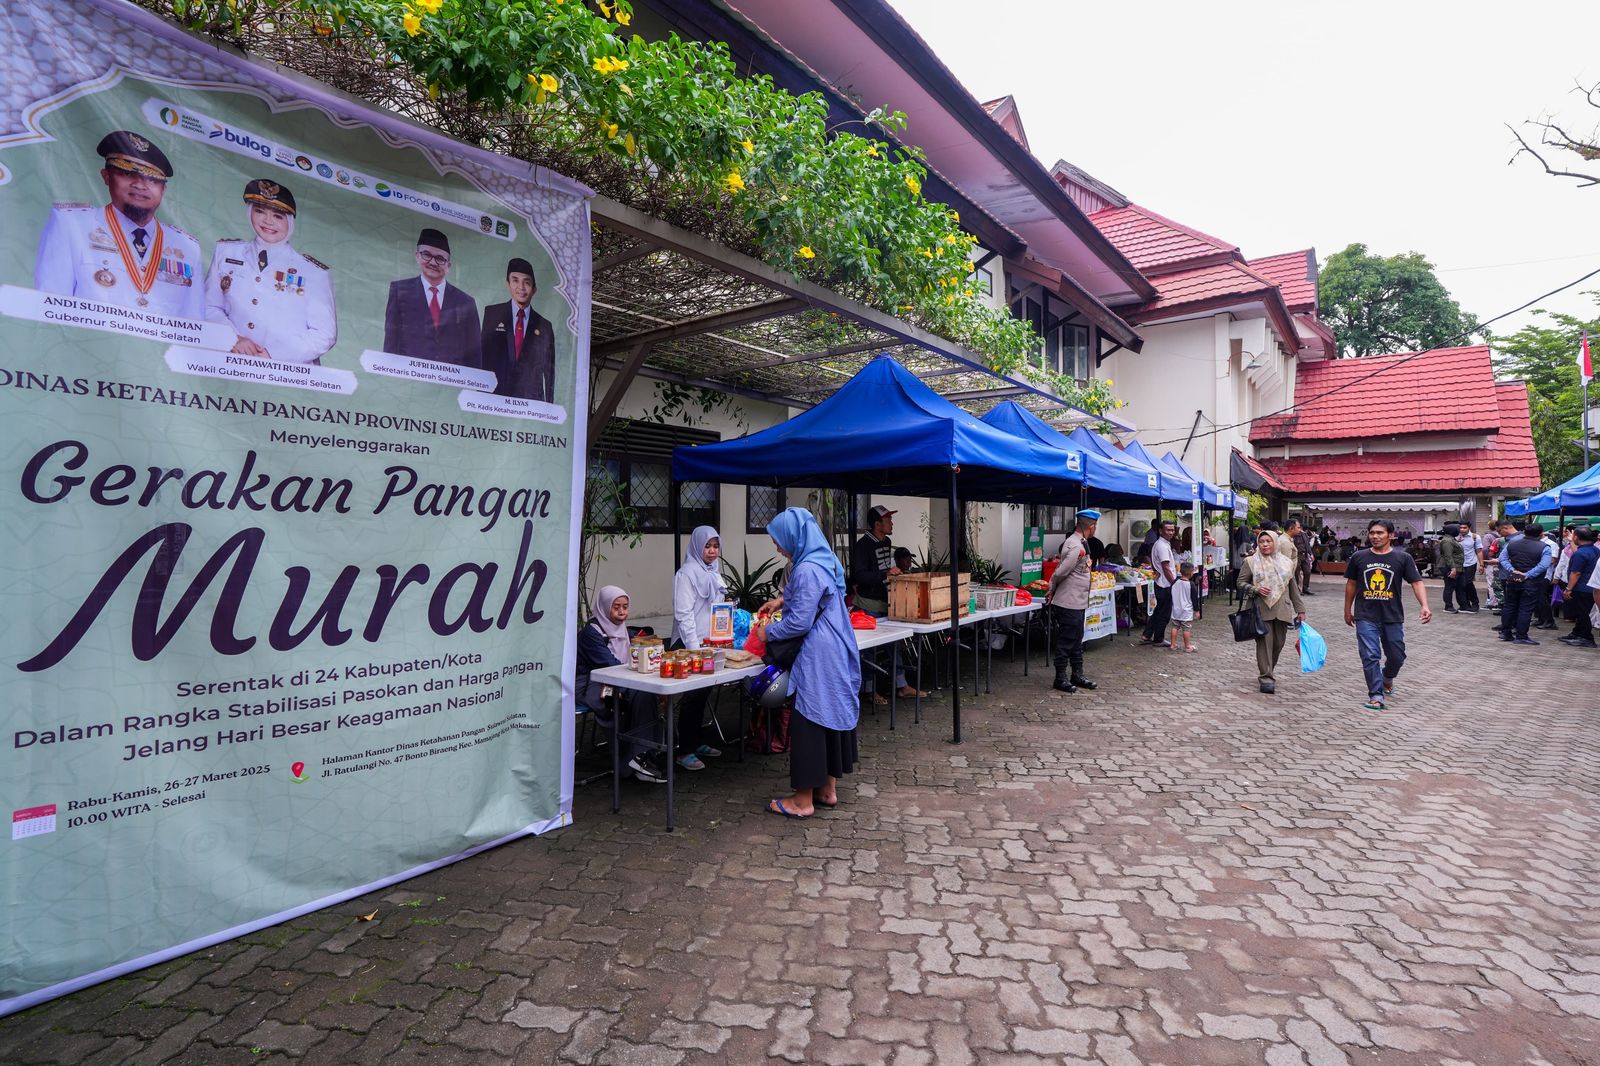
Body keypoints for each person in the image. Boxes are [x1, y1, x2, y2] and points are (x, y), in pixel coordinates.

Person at [757, 507, 861, 819]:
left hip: (818, 653)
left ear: (794, 537)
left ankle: (802, 801)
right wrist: (783, 600)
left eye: (779, 540)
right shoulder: (825, 561)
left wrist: (767, 632)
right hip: (836, 645)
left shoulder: (805, 570)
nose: (777, 547)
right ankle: (827, 789)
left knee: (808, 717)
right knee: (830, 712)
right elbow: (820, 596)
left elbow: (799, 624)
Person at [35, 130, 203, 317]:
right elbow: (50, 308)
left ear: (163, 189)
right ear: (106, 176)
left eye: (152, 179)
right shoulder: (71, 224)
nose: (140, 185)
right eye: (127, 173)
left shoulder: (187, 247)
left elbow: (193, 321)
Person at [203, 179, 337, 365]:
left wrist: (272, 355)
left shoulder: (313, 272)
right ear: (250, 212)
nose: (268, 221)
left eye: (278, 216)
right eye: (259, 211)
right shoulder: (226, 253)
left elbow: (324, 335)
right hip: (230, 363)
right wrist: (232, 338)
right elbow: (209, 306)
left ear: (290, 221)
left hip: (287, 371)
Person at [576, 586, 665, 783]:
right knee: (637, 694)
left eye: (625, 607)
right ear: (604, 607)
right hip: (591, 683)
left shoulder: (623, 630)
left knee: (644, 693)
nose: (622, 612)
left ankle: (642, 755)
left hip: (619, 678)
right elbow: (609, 665)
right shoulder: (591, 633)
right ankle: (639, 757)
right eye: (616, 607)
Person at [1344, 518, 1431, 711]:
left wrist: (1424, 605)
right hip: (1365, 615)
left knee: (1397, 656)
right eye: (1372, 533)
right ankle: (1376, 695)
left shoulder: (1402, 558)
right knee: (1370, 655)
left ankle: (1387, 678)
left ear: (1391, 535)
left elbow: (1416, 582)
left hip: (1392, 616)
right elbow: (1351, 584)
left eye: (1380, 533)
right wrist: (1347, 610)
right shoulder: (1359, 557)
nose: (1375, 536)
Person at [849, 505, 922, 699]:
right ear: (877, 524)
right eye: (888, 520)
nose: (891, 523)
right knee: (869, 650)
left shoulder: (887, 541)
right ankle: (869, 690)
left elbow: (884, 572)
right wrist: (885, 573)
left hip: (886, 602)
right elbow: (859, 576)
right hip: (867, 605)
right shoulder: (863, 546)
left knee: (894, 644)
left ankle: (901, 685)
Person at [670, 526, 727, 770]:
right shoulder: (686, 574)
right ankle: (684, 750)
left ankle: (695, 741)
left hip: (708, 643)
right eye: (707, 546)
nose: (712, 551)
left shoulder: (713, 571)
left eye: (716, 546)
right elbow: (683, 615)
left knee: (704, 693)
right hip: (688, 644)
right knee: (692, 696)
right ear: (696, 546)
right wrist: (695, 649)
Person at [383, 228, 481, 366]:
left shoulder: (466, 302)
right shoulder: (400, 291)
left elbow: (474, 354)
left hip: (451, 377)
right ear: (417, 256)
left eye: (440, 259)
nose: (433, 262)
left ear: (448, 265)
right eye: (427, 255)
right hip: (410, 374)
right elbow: (391, 342)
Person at [480, 257, 556, 401]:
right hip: (495, 398)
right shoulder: (492, 314)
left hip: (529, 403)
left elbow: (550, 371)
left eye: (527, 282)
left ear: (534, 289)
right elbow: (483, 357)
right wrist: (480, 395)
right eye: (515, 280)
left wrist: (549, 405)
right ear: (508, 284)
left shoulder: (545, 326)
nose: (521, 287)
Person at [1238, 531, 1306, 692]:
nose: (1265, 544)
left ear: (1275, 542)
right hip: (1260, 608)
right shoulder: (1251, 561)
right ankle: (1266, 677)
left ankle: (1269, 669)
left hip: (1282, 609)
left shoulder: (1286, 563)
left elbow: (1293, 587)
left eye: (1268, 541)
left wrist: (1300, 609)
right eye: (1262, 541)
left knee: (1278, 643)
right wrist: (1255, 589)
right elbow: (1240, 582)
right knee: (1264, 644)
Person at [1046, 510, 1101, 693]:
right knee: (1067, 640)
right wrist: (1052, 587)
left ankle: (1077, 674)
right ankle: (1060, 678)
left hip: (1077, 601)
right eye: (1095, 526)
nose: (1095, 529)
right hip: (1069, 601)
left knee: (1077, 640)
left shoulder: (1081, 542)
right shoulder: (1076, 545)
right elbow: (1061, 571)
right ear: (1091, 526)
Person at [1499, 521, 1554, 645]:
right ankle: (1521, 636)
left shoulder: (1512, 543)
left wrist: (1512, 570)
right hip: (1531, 582)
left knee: (1509, 606)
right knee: (1525, 609)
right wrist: (1527, 574)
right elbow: (1544, 565)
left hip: (1513, 579)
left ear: (1524, 532)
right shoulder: (1544, 547)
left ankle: (1505, 632)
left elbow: (1502, 558)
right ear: (1541, 534)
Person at [1140, 519, 1178, 647]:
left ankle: (1147, 634)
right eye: (1168, 530)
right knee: (1164, 613)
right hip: (1165, 584)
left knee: (1158, 610)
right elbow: (1166, 567)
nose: (1171, 532)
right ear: (1161, 531)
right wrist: (1175, 583)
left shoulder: (1163, 544)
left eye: (1172, 530)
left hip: (1162, 582)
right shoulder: (1161, 546)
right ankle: (1158, 638)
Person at [1562, 526, 1599, 648]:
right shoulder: (1595, 550)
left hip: (1581, 587)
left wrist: (1568, 589)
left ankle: (1586, 637)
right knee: (1582, 612)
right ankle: (1577, 633)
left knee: (1583, 613)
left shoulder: (1580, 553)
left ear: (1576, 537)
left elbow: (1576, 573)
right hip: (1591, 587)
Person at [1484, 518, 1515, 614]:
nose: (1499, 533)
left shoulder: (1498, 540)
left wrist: (1492, 560)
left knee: (1497, 587)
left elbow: (1489, 551)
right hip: (1511, 571)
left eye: (1499, 531)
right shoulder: (1520, 538)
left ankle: (1500, 606)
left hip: (1503, 569)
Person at [1169, 561, 1197, 653]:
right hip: (1186, 611)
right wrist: (1197, 610)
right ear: (1191, 573)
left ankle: (1173, 644)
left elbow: (1170, 593)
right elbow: (1194, 599)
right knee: (1186, 628)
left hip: (1175, 609)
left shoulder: (1174, 582)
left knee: (1174, 627)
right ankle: (1187, 646)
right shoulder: (1191, 585)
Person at [1437, 522, 1465, 613]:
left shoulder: (1451, 540)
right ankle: (1448, 606)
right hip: (1449, 566)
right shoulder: (1447, 541)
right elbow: (1448, 556)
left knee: (1459, 586)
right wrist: (1453, 568)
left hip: (1456, 566)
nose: (1459, 531)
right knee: (1449, 586)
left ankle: (1463, 605)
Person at [1456, 521, 1481, 613]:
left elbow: (1479, 551)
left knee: (1468, 583)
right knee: (1460, 585)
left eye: (1464, 528)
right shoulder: (1456, 537)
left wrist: (1481, 564)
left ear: (1469, 528)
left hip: (1470, 563)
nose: (1462, 529)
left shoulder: (1475, 537)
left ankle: (1475, 603)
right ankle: (1465, 605)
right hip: (1458, 564)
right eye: (1460, 528)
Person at [1287, 518, 1315, 595]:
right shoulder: (1292, 536)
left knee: (1307, 571)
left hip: (1305, 555)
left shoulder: (1304, 534)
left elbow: (1307, 545)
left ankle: (1306, 588)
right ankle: (1297, 590)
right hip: (1297, 556)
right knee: (1296, 573)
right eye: (1298, 528)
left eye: (1300, 528)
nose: (1299, 529)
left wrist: (1311, 554)